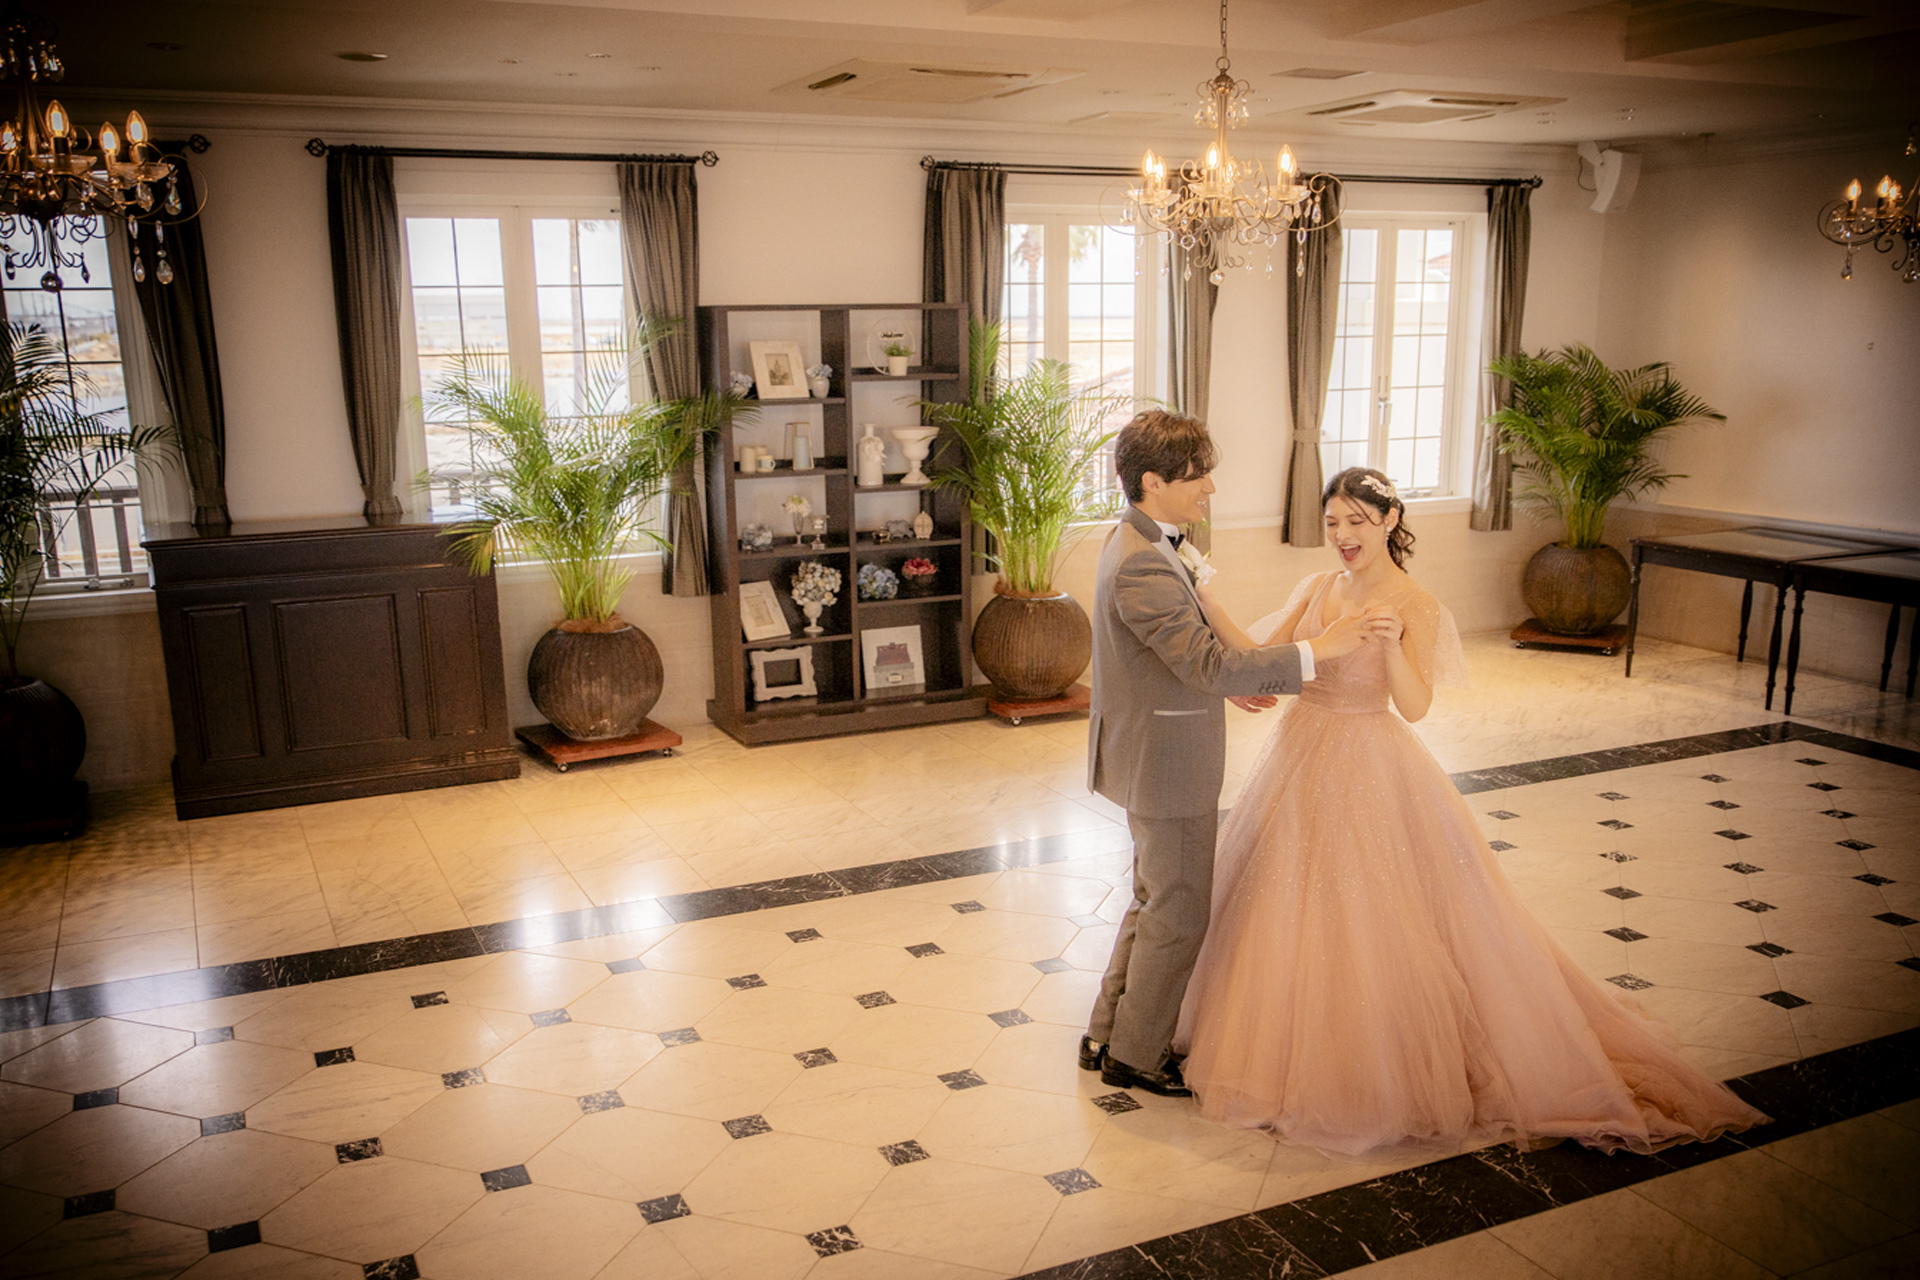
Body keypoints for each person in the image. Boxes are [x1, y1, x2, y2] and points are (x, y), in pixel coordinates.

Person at [1172, 466, 1767, 1155]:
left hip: (1367, 760)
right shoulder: (1316, 587)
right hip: (1299, 754)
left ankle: (1372, 1057)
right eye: (1333, 522)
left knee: (1373, 908)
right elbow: (1258, 654)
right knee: (1283, 898)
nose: (1342, 536)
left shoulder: (1416, 603)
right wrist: (1201, 589)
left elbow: (1415, 706)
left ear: (1391, 521)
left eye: (1357, 522)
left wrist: (1390, 643)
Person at [1082, 411, 1366, 1097]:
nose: (1209, 488)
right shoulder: (1144, 562)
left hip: (1149, 751)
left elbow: (1187, 654)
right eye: (1196, 477)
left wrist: (1231, 682)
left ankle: (1108, 1035)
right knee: (1179, 911)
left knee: (1155, 898)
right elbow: (1207, 664)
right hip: (1166, 761)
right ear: (1154, 481)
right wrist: (1317, 651)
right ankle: (1136, 1057)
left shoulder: (1140, 538)